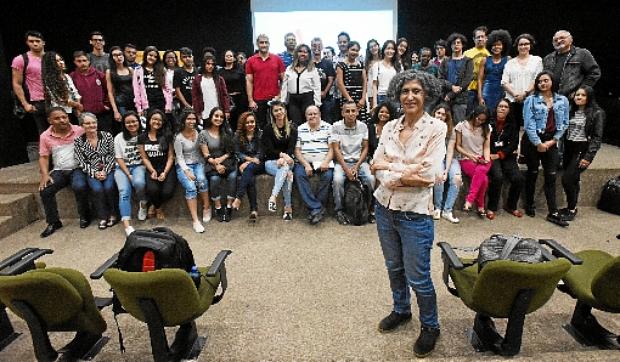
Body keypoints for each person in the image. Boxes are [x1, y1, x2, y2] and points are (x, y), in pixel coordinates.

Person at [370, 71, 446, 358]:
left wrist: (392, 168)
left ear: (425, 94)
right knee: (394, 267)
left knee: (418, 277)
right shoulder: (389, 126)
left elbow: (428, 176)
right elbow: (375, 163)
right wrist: (404, 169)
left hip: (414, 214)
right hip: (384, 209)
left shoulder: (437, 128)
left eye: (416, 90)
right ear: (397, 95)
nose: (410, 96)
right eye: (404, 91)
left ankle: (430, 326)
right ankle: (401, 310)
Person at [522, 71, 569, 226]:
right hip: (534, 140)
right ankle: (529, 204)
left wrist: (553, 141)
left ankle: (553, 211)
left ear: (552, 81)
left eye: (546, 80)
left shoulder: (562, 100)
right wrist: (538, 143)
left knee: (551, 175)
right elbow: (528, 124)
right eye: (540, 81)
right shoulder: (531, 100)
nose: (543, 83)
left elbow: (564, 123)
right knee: (533, 172)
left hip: (552, 141)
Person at [38, 107, 90, 237]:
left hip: (77, 168)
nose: (62, 120)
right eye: (57, 118)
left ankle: (85, 216)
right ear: (50, 120)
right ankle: (53, 222)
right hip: (59, 170)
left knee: (80, 186)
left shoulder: (79, 130)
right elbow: (44, 157)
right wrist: (45, 175)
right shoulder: (45, 136)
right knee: (45, 190)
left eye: (64, 117)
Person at [560, 85, 605, 222]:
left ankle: (572, 209)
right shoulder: (570, 111)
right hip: (569, 147)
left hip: (582, 148)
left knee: (567, 179)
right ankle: (570, 206)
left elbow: (597, 137)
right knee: (573, 179)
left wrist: (588, 157)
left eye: (583, 95)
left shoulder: (597, 113)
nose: (579, 97)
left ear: (589, 97)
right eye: (577, 95)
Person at [331, 101, 375, 225]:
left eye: (353, 111)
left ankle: (369, 209)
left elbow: (365, 148)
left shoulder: (363, 126)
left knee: (371, 179)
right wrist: (346, 169)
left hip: (359, 162)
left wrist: (356, 166)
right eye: (347, 111)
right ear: (342, 113)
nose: (350, 113)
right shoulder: (336, 126)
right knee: (338, 180)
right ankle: (339, 211)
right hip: (342, 163)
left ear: (357, 112)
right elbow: (336, 149)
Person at [73, 112, 117, 230]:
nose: (91, 125)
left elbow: (113, 155)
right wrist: (94, 173)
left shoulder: (106, 136)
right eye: (87, 123)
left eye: (93, 122)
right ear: (82, 126)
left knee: (109, 187)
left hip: (109, 169)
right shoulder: (78, 141)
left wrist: (105, 171)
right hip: (91, 171)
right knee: (97, 189)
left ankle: (113, 214)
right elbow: (80, 161)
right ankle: (102, 216)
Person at [293, 105, 333, 225]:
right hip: (305, 161)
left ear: (320, 114)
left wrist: (326, 162)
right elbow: (297, 151)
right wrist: (306, 164)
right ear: (306, 116)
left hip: (323, 161)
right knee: (299, 174)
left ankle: (315, 209)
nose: (312, 116)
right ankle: (317, 208)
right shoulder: (300, 129)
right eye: (309, 114)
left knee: (328, 176)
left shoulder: (328, 127)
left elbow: (332, 149)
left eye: (315, 113)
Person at [486, 99, 524, 219]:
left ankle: (511, 206)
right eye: (500, 106)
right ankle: (492, 207)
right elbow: (485, 141)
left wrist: (501, 154)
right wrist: (493, 154)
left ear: (509, 110)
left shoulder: (513, 124)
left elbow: (513, 144)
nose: (502, 108)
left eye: (505, 107)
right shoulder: (489, 122)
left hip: (506, 155)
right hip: (491, 154)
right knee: (497, 177)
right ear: (496, 108)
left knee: (518, 178)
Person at [174, 110, 211, 233]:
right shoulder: (178, 137)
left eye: (193, 119)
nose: (191, 121)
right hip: (183, 165)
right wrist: (186, 171)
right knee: (191, 187)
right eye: (189, 119)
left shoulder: (199, 133)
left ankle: (206, 207)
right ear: (184, 120)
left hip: (198, 163)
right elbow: (179, 157)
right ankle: (195, 220)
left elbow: (204, 150)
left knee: (201, 180)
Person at [199, 107, 237, 222]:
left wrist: (222, 159)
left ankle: (229, 206)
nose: (219, 119)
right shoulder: (203, 133)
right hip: (211, 164)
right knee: (214, 179)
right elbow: (206, 154)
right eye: (216, 116)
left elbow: (231, 151)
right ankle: (218, 207)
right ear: (211, 117)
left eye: (221, 117)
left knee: (233, 176)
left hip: (228, 161)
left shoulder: (227, 131)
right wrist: (217, 164)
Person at [137, 109, 176, 221]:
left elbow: (170, 157)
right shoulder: (142, 137)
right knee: (152, 190)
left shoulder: (167, 136)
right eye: (154, 119)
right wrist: (152, 170)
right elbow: (144, 157)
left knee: (167, 191)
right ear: (149, 120)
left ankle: (154, 205)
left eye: (160, 120)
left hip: (166, 167)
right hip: (152, 168)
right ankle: (159, 208)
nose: (157, 122)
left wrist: (165, 172)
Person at [261, 101, 296, 220]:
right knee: (286, 173)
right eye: (275, 110)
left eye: (280, 109)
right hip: (271, 162)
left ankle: (273, 197)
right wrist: (281, 156)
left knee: (286, 167)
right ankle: (288, 208)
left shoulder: (292, 128)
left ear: (285, 111)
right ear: (272, 113)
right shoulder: (268, 129)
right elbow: (268, 150)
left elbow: (291, 148)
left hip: (288, 161)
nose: (279, 112)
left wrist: (285, 158)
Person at [114, 111, 147, 236]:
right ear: (124, 124)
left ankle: (143, 203)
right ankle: (127, 225)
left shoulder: (144, 135)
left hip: (139, 165)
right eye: (128, 122)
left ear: (139, 122)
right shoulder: (118, 137)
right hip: (122, 168)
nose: (131, 124)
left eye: (134, 121)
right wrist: (128, 174)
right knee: (123, 191)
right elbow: (119, 158)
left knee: (139, 182)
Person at [455, 105, 491, 217]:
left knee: (481, 170)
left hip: (481, 158)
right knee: (484, 179)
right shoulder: (461, 126)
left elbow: (486, 147)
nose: (479, 121)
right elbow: (458, 146)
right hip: (466, 158)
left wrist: (486, 159)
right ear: (474, 114)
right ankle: (480, 204)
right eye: (478, 118)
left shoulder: (487, 128)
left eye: (483, 120)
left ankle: (469, 201)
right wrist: (470, 155)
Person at [543, 30, 601, 98]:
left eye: (562, 38)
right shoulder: (548, 58)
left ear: (571, 39)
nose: (558, 41)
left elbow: (594, 73)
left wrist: (580, 91)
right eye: (555, 40)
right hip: (550, 99)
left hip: (572, 100)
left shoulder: (582, 54)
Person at [501, 33, 543, 127]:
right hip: (512, 100)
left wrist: (524, 94)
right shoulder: (510, 62)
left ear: (530, 45)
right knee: (513, 128)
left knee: (529, 128)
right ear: (517, 46)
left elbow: (537, 80)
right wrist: (516, 94)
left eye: (526, 44)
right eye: (521, 44)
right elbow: (504, 82)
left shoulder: (537, 60)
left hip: (531, 100)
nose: (523, 46)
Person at [246, 34, 286, 130]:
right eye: (261, 42)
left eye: (266, 42)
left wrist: (280, 95)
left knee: (277, 126)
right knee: (261, 127)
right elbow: (249, 82)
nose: (264, 45)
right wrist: (250, 100)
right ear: (257, 44)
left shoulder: (277, 59)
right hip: (258, 100)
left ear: (269, 44)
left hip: (274, 99)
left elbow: (284, 80)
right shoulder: (251, 61)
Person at [12, 30, 48, 138]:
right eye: (31, 41)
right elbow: (16, 83)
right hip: (38, 102)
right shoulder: (21, 59)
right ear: (27, 43)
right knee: (45, 134)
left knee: (64, 131)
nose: (35, 44)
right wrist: (25, 104)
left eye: (37, 41)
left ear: (43, 42)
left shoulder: (51, 58)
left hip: (55, 100)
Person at [232, 112, 265, 222]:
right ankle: (254, 210)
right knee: (250, 178)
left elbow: (261, 153)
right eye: (247, 122)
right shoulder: (237, 136)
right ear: (243, 124)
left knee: (249, 168)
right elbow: (237, 153)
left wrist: (248, 162)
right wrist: (249, 160)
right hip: (245, 163)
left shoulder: (260, 134)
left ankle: (238, 197)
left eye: (252, 122)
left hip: (258, 164)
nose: (250, 124)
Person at [431, 103, 461, 224]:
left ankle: (447, 210)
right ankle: (437, 207)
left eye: (444, 115)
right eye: (438, 113)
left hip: (450, 159)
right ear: (434, 113)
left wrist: (447, 171)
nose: (440, 116)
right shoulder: (429, 128)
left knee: (457, 179)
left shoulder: (451, 130)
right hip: (435, 159)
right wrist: (441, 172)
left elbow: (450, 152)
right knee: (438, 176)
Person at [70, 51, 113, 133]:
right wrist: (76, 109)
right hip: (84, 115)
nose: (82, 63)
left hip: (102, 113)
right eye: (79, 61)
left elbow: (109, 90)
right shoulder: (72, 76)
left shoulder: (99, 74)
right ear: (74, 62)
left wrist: (106, 105)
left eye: (84, 60)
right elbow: (71, 96)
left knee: (105, 136)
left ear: (89, 61)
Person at [280, 44, 321, 126]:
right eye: (300, 51)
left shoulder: (313, 70)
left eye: (305, 52)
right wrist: (282, 101)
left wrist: (317, 104)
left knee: (308, 123)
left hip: (307, 99)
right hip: (293, 100)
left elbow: (317, 87)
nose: (303, 54)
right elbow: (284, 86)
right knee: (295, 124)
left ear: (309, 54)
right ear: (296, 53)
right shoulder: (289, 69)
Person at [438, 33, 473, 123]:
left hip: (460, 99)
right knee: (443, 125)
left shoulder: (468, 61)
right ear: (450, 45)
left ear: (462, 45)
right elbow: (440, 79)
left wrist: (452, 93)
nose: (456, 45)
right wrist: (451, 87)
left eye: (458, 43)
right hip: (445, 98)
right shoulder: (445, 61)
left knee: (459, 126)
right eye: (453, 43)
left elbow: (468, 79)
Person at [192, 54, 230, 126]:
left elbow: (225, 95)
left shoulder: (219, 79)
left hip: (218, 110)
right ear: (204, 65)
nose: (210, 66)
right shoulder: (197, 79)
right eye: (208, 64)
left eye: (212, 64)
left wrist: (227, 110)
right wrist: (197, 113)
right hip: (204, 111)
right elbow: (195, 97)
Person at [42, 51, 82, 121]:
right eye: (57, 61)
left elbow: (75, 93)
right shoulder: (49, 80)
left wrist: (78, 107)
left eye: (61, 60)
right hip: (60, 114)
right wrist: (78, 105)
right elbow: (62, 100)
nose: (61, 62)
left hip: (73, 110)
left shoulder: (67, 76)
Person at [133, 46, 173, 117]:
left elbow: (168, 89)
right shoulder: (138, 70)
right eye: (150, 55)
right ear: (145, 55)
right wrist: (139, 108)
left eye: (155, 57)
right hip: (147, 103)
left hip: (161, 101)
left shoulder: (162, 70)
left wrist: (168, 105)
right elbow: (136, 91)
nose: (152, 58)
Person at [477, 29, 511, 111]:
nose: (496, 47)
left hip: (503, 93)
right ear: (490, 46)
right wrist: (480, 97)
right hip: (487, 93)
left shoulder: (508, 59)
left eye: (499, 44)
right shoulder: (484, 60)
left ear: (503, 46)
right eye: (494, 45)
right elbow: (479, 80)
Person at [336, 41, 369, 124]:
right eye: (352, 50)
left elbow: (365, 82)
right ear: (347, 50)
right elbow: (340, 83)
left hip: (360, 98)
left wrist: (363, 98)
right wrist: (349, 99)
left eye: (357, 50)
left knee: (362, 122)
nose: (354, 52)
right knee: (347, 121)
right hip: (347, 97)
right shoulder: (340, 65)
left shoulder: (361, 65)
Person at [106, 46, 135, 125]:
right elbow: (110, 92)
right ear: (112, 58)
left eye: (120, 54)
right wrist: (115, 110)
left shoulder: (130, 69)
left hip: (133, 101)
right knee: (125, 124)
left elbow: (136, 88)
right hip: (120, 103)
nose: (118, 57)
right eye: (115, 55)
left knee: (135, 124)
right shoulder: (109, 71)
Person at [464, 25, 490, 114]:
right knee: (469, 113)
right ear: (474, 39)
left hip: (486, 88)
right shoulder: (467, 53)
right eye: (477, 37)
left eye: (482, 36)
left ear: (486, 38)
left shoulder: (490, 53)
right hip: (470, 87)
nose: (480, 39)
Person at [311, 37, 336, 124]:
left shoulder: (327, 62)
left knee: (327, 120)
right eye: (314, 46)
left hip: (325, 97)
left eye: (319, 45)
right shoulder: (308, 63)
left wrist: (324, 92)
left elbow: (331, 79)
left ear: (322, 47)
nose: (316, 48)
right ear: (311, 47)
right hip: (311, 97)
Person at [221, 49, 248, 131]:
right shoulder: (220, 72)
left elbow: (245, 85)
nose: (229, 57)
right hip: (227, 100)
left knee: (241, 121)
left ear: (234, 58)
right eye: (227, 56)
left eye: (231, 56)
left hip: (240, 99)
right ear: (224, 58)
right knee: (228, 121)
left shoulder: (240, 71)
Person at [371, 40, 401, 110]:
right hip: (381, 96)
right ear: (384, 50)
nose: (390, 51)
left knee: (395, 120)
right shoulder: (377, 65)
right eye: (388, 48)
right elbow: (374, 85)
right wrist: (375, 103)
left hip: (395, 97)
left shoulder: (399, 66)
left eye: (392, 49)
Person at [173, 47, 196, 114]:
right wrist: (186, 105)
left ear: (193, 57)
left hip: (197, 104)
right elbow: (177, 90)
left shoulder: (197, 71)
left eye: (189, 56)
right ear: (181, 58)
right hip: (184, 105)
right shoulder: (178, 71)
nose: (187, 59)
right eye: (184, 57)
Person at [365, 39, 381, 108]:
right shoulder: (367, 62)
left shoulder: (384, 60)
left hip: (382, 90)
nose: (373, 48)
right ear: (369, 49)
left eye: (375, 45)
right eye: (371, 47)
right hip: (371, 91)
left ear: (378, 46)